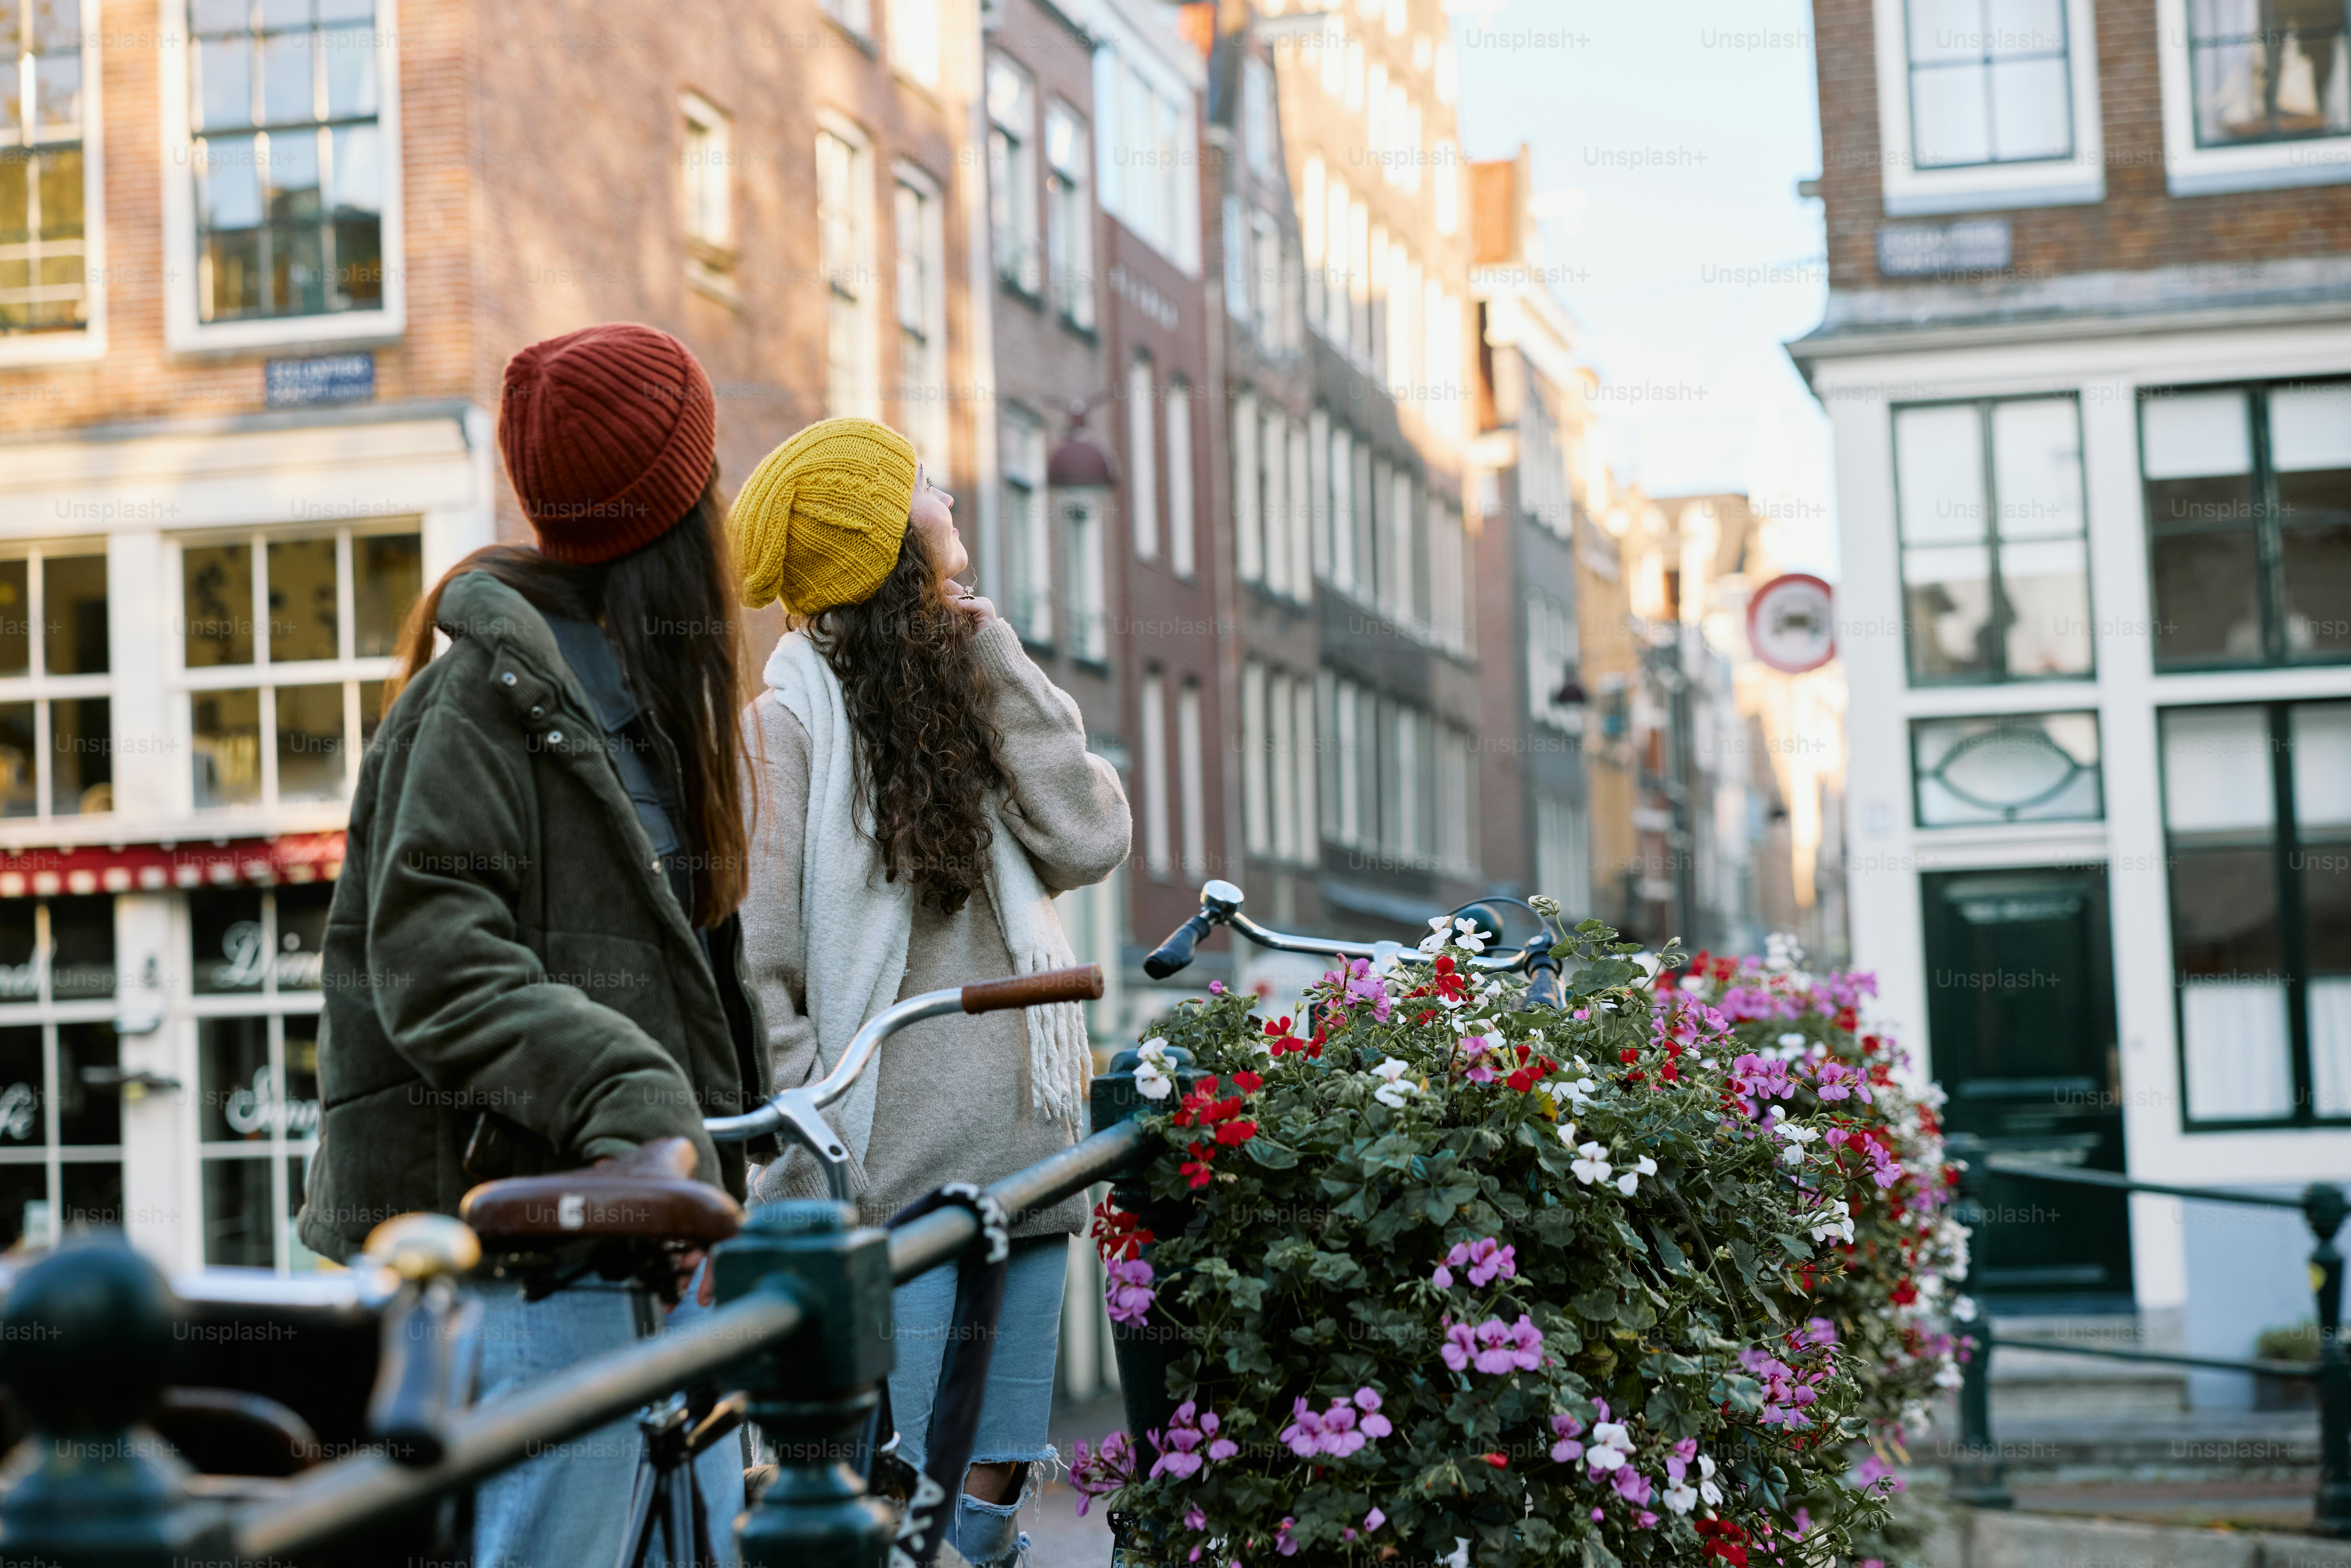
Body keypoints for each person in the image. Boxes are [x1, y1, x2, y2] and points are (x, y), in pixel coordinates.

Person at [300, 323, 765, 1567]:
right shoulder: (485, 701)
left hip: (647, 1249)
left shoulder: (632, 697)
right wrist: (631, 1097)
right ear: (678, 513)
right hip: (529, 1272)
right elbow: (437, 961)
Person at [729, 417, 1131, 1568]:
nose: (951, 494)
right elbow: (763, 980)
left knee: (992, 1498)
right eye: (927, 486)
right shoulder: (788, 730)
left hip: (1029, 1162)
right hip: (886, 1194)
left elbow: (1091, 830)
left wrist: (993, 655)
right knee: (903, 1496)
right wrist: (818, 1170)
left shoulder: (968, 687)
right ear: (888, 538)